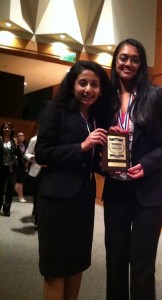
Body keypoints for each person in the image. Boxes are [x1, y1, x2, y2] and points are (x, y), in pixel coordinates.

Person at [102, 38, 162, 300]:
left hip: (149, 191)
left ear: (141, 63)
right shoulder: (104, 99)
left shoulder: (155, 95)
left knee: (142, 264)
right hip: (116, 189)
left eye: (134, 59)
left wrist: (148, 163)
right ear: (115, 61)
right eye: (123, 57)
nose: (128, 63)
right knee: (115, 262)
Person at [35, 60, 111, 300]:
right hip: (56, 200)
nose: (88, 89)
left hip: (83, 199)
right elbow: (42, 153)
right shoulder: (54, 110)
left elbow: (93, 160)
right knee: (56, 268)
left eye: (95, 85)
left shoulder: (97, 118)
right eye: (83, 83)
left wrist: (112, 165)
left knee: (76, 264)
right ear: (72, 84)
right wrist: (82, 146)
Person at [0, 122, 23, 216]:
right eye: (5, 128)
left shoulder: (14, 140)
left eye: (8, 128)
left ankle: (7, 208)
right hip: (1, 168)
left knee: (10, 188)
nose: (6, 129)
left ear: (11, 129)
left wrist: (23, 167)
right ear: (2, 129)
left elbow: (19, 155)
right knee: (0, 188)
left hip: (12, 167)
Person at [24, 133, 41, 229]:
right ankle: (38, 222)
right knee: (37, 196)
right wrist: (33, 157)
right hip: (36, 171)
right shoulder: (35, 139)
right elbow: (26, 154)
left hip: (50, 173)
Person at [15, 131, 28, 203]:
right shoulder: (15, 145)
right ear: (17, 137)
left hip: (25, 165)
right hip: (17, 165)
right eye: (19, 135)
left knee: (21, 180)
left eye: (22, 135)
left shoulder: (26, 145)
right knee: (19, 181)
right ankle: (20, 197)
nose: (21, 137)